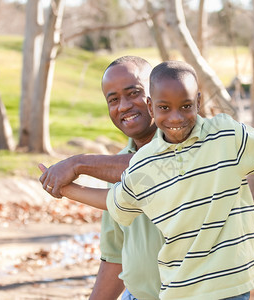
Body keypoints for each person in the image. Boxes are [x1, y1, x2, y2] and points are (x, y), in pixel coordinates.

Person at [47, 60, 254, 299]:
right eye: (114, 99)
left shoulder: (222, 138)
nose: (175, 117)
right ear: (154, 104)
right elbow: (114, 223)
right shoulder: (141, 166)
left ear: (197, 102)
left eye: (132, 92)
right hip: (162, 294)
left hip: (224, 289)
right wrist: (67, 188)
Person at [39, 56, 165, 299]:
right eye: (113, 100)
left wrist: (78, 163)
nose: (124, 106)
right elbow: (115, 257)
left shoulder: (187, 147)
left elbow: (154, 166)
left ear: (156, 94)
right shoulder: (114, 167)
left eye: (134, 93)